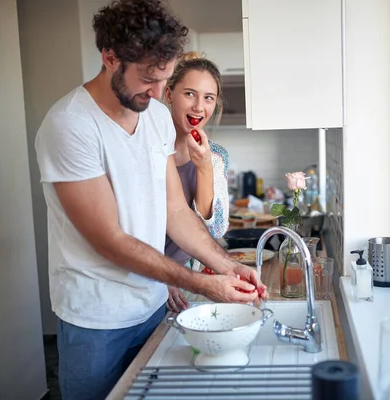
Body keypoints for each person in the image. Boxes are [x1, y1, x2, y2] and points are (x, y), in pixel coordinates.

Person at [34, 1, 266, 399]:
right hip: (97, 318)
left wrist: (227, 266)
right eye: (148, 79)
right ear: (110, 58)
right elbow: (110, 240)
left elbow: (175, 210)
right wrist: (202, 285)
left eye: (165, 79)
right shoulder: (70, 125)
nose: (158, 93)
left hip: (153, 307)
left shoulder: (155, 117)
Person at [161, 52, 232, 313]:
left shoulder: (216, 157)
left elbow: (214, 232)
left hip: (188, 286)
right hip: (144, 280)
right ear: (169, 95)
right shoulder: (149, 150)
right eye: (189, 94)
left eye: (208, 98)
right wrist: (162, 276)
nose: (199, 107)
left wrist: (203, 167)